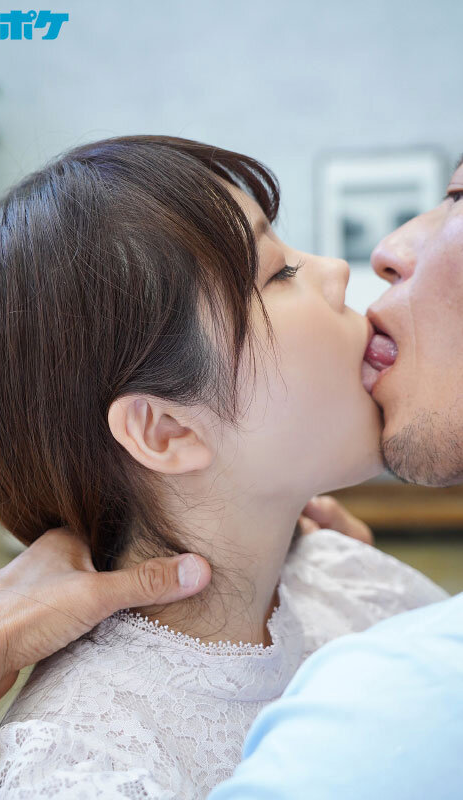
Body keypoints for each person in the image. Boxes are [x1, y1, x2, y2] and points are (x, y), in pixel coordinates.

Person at [0, 136, 448, 799]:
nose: (337, 270)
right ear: (166, 429)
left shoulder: (354, 577)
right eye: (280, 273)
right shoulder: (84, 761)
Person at [205, 154, 463, 800]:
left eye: (460, 197)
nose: (360, 261)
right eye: (278, 273)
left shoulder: (387, 711)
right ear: (162, 430)